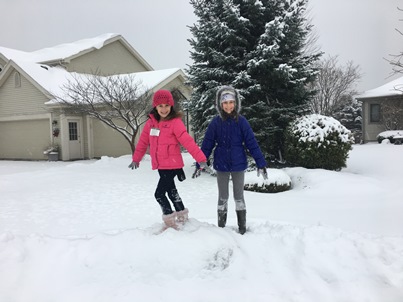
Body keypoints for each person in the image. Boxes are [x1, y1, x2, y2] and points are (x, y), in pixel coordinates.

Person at [129, 89, 207, 229]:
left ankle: (170, 222)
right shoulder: (151, 123)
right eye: (160, 106)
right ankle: (182, 217)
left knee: (159, 194)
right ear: (155, 107)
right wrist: (136, 158)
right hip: (160, 165)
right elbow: (143, 142)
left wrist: (200, 158)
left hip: (172, 165)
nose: (164, 109)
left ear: (171, 106)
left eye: (166, 105)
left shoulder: (175, 123)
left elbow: (187, 141)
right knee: (172, 192)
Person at [194, 85, 267, 234]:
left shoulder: (242, 122)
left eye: (231, 102)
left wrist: (261, 163)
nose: (228, 106)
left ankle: (242, 228)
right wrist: (200, 162)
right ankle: (221, 228)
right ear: (220, 104)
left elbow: (251, 143)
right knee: (223, 197)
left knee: (239, 197)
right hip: (221, 164)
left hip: (238, 164)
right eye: (225, 103)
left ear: (236, 103)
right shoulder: (215, 122)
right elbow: (207, 143)